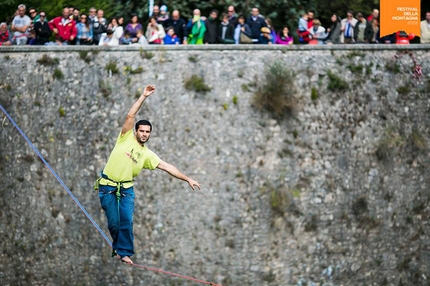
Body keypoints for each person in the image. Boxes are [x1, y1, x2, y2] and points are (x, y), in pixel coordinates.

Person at [96, 85, 201, 265]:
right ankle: (119, 247)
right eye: (142, 131)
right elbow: (131, 116)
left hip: (127, 189)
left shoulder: (147, 155)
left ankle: (124, 252)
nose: (144, 134)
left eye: (147, 132)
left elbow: (167, 166)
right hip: (108, 186)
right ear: (136, 131)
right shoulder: (125, 137)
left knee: (127, 222)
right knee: (114, 223)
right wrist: (143, 96)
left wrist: (187, 178)